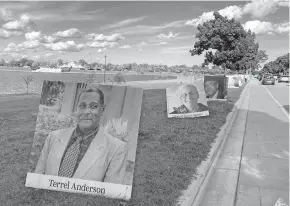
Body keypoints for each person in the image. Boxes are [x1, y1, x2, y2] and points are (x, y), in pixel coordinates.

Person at [34, 87, 128, 184]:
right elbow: (37, 179)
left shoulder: (117, 149)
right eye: (82, 106)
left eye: (93, 106)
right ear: (77, 108)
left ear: (102, 110)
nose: (86, 112)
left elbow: (110, 192)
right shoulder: (53, 137)